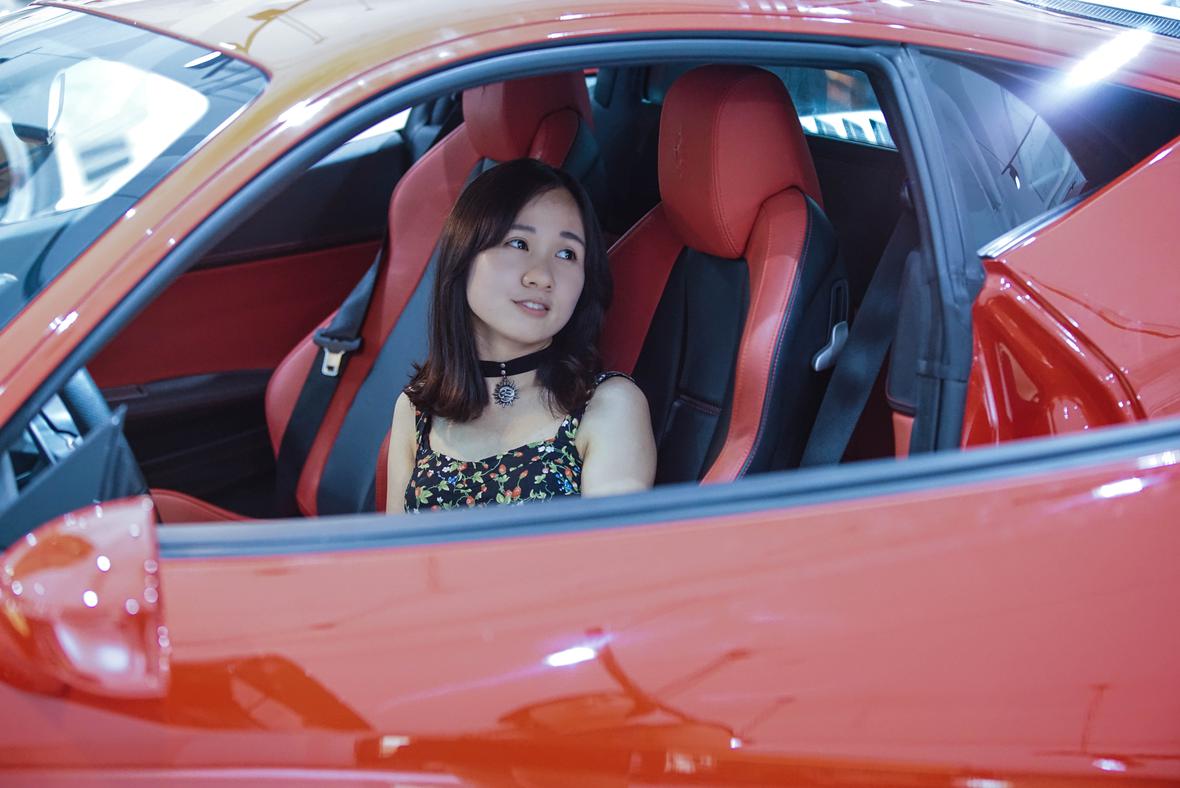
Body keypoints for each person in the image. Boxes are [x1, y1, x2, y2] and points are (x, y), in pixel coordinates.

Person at [386, 158, 656, 513]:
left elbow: (615, 549)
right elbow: (395, 546)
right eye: (518, 243)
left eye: (567, 253)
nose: (542, 276)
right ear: (464, 255)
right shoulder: (417, 408)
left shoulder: (609, 405)